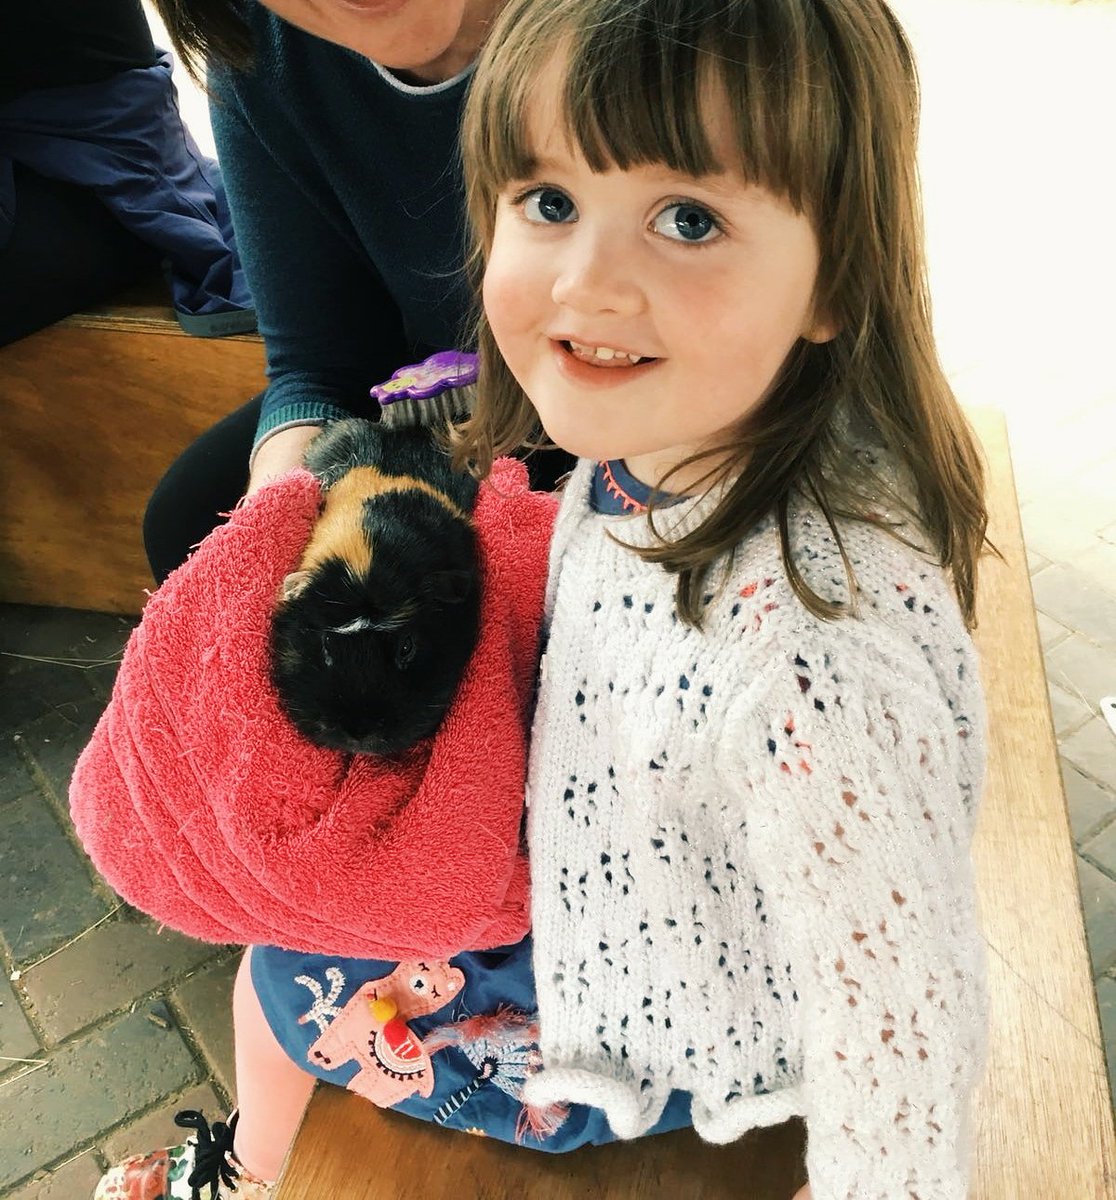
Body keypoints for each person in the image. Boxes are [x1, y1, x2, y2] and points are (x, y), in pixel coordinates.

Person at [96, 0, 989, 1197]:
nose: (586, 283)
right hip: (604, 892)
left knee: (280, 979)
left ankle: (245, 1175)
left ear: (839, 275)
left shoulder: (812, 654)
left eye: (687, 218)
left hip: (647, 1035)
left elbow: (905, 1042)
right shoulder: (650, 453)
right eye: (550, 202)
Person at [140, 0, 572, 585]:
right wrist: (275, 526)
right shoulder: (255, 40)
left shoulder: (648, 38)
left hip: (650, 398)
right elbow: (323, 362)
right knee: (195, 520)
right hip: (446, 395)